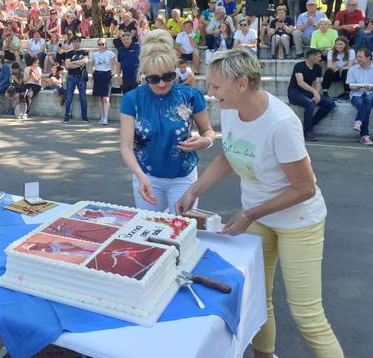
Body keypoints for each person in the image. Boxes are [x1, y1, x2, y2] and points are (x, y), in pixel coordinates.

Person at [175, 49, 344, 358]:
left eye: (215, 86)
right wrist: (193, 191)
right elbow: (227, 157)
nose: (209, 93)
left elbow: (305, 188)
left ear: (241, 83)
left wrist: (250, 213)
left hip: (299, 223)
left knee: (307, 316)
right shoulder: (230, 108)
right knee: (257, 300)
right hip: (259, 218)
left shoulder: (281, 123)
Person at [119, 30, 214, 213]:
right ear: (144, 74)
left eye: (168, 77)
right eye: (153, 79)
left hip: (183, 177)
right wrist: (140, 176)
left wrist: (207, 141)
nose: (161, 84)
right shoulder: (132, 99)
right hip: (146, 176)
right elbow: (126, 146)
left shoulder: (191, 96)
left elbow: (207, 130)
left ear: (175, 70)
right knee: (148, 229)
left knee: (181, 230)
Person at [287, 48, 335, 141]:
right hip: (294, 92)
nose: (320, 58)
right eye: (319, 56)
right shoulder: (299, 66)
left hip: (307, 92)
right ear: (311, 57)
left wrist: (316, 93)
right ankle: (308, 131)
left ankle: (311, 123)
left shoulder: (318, 67)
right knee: (309, 103)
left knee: (330, 104)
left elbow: (318, 83)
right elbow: (300, 82)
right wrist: (314, 91)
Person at [346, 47, 373, 146]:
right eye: (357, 57)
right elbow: (351, 87)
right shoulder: (352, 69)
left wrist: (370, 87)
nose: (358, 59)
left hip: (371, 94)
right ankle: (364, 136)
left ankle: (359, 122)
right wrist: (362, 86)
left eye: (361, 57)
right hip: (356, 95)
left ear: (368, 57)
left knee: (369, 98)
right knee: (365, 104)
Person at [90, 38, 116, 125]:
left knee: (106, 98)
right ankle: (102, 117)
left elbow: (115, 63)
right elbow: (93, 65)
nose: (101, 46)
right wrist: (93, 75)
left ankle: (106, 118)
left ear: (106, 44)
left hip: (107, 75)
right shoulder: (95, 54)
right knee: (99, 98)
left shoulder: (110, 53)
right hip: (97, 74)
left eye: (103, 44)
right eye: (99, 44)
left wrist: (113, 72)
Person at [63, 37, 89, 123]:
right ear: (72, 43)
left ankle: (84, 118)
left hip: (81, 77)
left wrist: (73, 63)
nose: (75, 43)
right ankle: (67, 117)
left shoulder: (84, 52)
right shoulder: (69, 53)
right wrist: (79, 63)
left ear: (80, 42)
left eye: (77, 42)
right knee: (69, 97)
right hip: (71, 77)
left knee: (83, 98)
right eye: (74, 42)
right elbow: (67, 65)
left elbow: (85, 62)